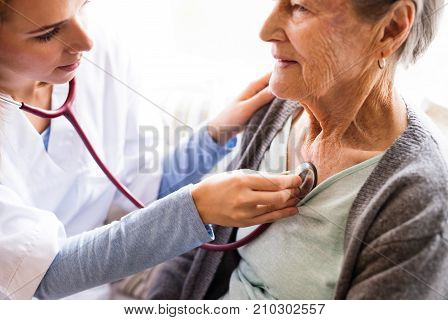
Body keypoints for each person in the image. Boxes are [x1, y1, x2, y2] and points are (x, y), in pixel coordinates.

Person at [143, 0, 448, 300]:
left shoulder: (417, 199)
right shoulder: (276, 107)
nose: (265, 31)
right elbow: (198, 247)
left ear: (390, 29)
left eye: (301, 7)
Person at [0, 0, 303, 300]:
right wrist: (195, 210)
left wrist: (215, 135)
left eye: (82, 6)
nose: (86, 41)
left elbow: (144, 189)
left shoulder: (99, 53)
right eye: (48, 33)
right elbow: (45, 274)